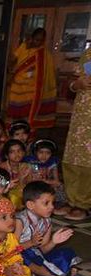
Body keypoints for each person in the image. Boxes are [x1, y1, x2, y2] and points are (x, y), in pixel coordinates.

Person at [14, 181, 80, 276]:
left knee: (66, 252)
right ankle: (48, 272)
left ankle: (50, 271)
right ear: (30, 205)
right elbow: (11, 249)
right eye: (46, 203)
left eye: (52, 203)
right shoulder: (20, 221)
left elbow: (43, 250)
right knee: (25, 255)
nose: (52, 207)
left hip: (37, 256)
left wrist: (54, 241)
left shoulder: (47, 221)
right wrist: (31, 243)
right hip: (18, 255)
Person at [6, 28, 56, 129]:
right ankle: (14, 130)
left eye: (41, 41)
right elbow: (13, 59)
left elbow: (47, 72)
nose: (38, 42)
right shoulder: (23, 46)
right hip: (18, 86)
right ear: (32, 38)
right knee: (15, 110)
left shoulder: (45, 54)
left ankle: (27, 131)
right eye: (36, 39)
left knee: (28, 112)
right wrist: (11, 69)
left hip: (33, 89)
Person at [62, 46, 91, 220]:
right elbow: (70, 84)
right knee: (73, 156)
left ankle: (83, 203)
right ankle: (72, 200)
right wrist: (77, 85)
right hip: (81, 116)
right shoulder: (88, 53)